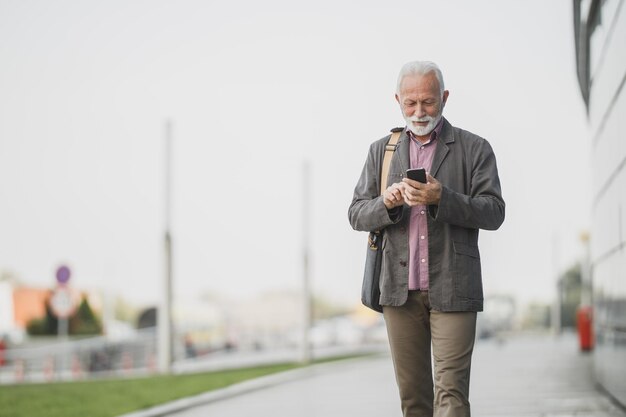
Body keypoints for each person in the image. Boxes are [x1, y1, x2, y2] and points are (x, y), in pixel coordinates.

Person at [348, 61, 505, 417]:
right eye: (411, 103)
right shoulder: (381, 152)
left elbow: (494, 211)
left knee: (450, 397)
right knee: (414, 401)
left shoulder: (474, 148)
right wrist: (385, 204)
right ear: (398, 101)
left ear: (444, 98)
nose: (419, 112)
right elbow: (356, 213)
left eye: (428, 102)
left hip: (454, 287)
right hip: (398, 294)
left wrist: (441, 198)